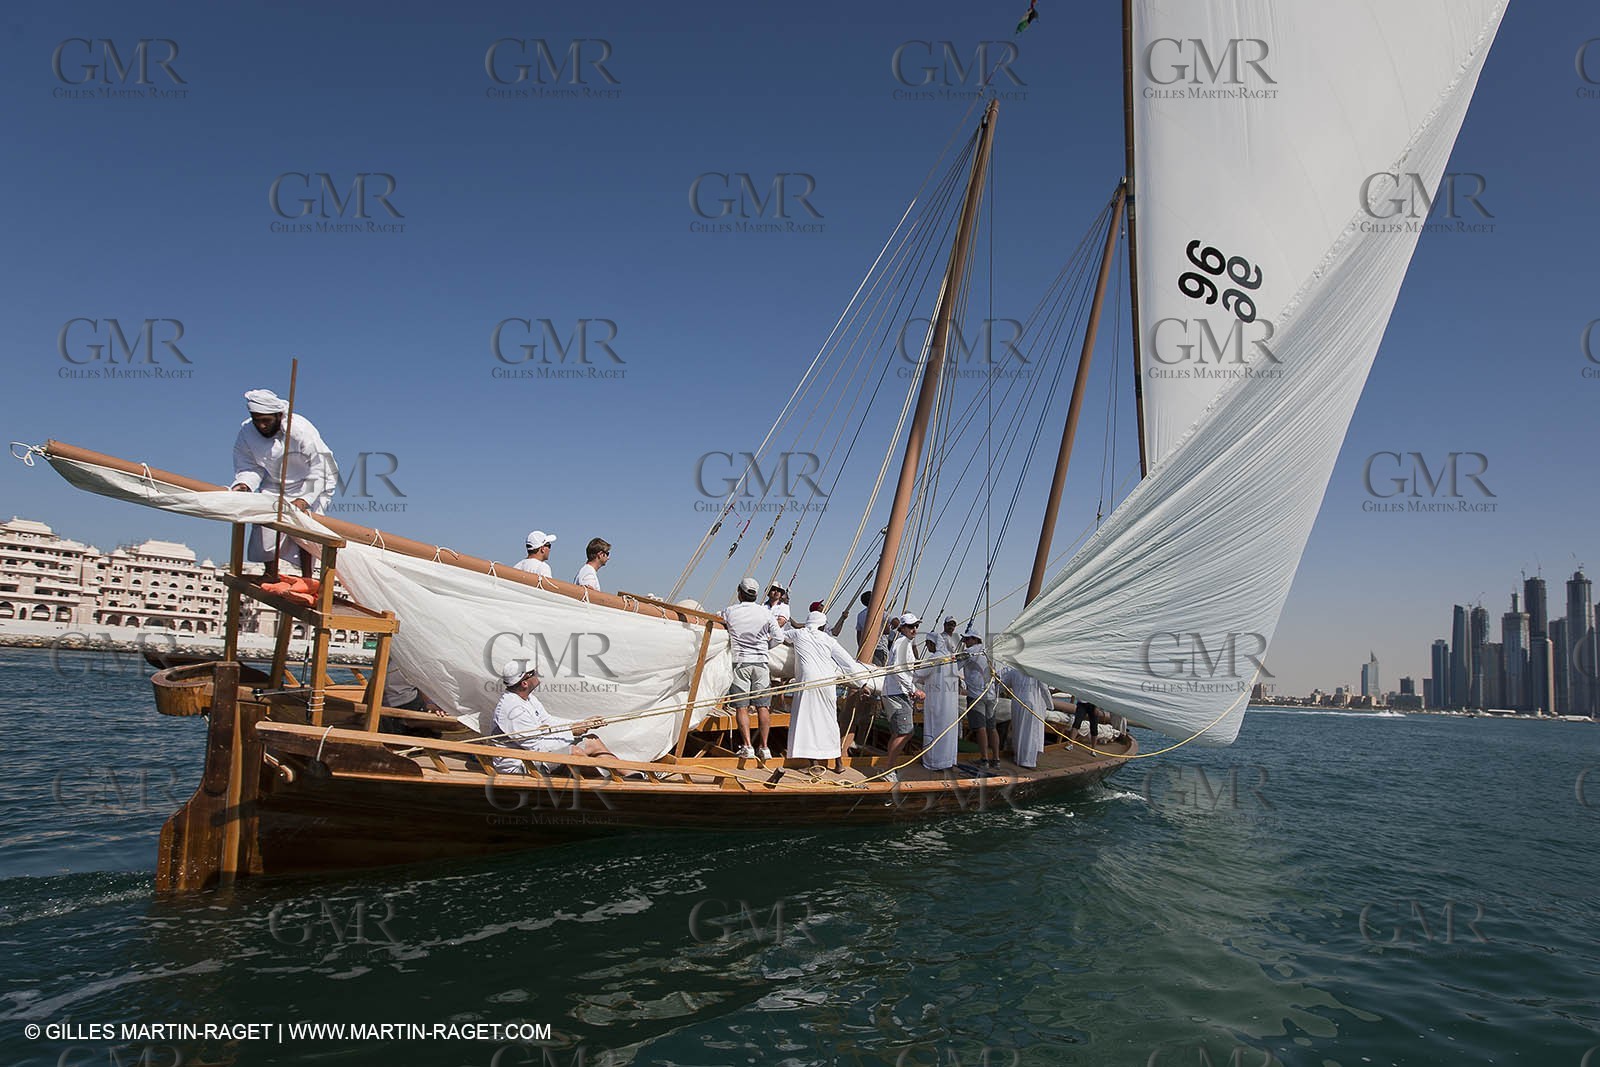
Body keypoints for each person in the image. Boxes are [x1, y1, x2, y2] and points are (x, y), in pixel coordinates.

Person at [230, 388, 338, 580]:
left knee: (306, 527)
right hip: (274, 482)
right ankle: (271, 573)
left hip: (313, 480)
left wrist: (304, 500)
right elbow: (250, 466)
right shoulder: (246, 433)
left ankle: (307, 578)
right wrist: (244, 484)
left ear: (279, 416)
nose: (261, 426)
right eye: (257, 420)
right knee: (265, 524)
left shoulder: (300, 429)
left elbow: (319, 467)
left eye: (266, 421)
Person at [489, 660, 618, 775]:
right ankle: (606, 783)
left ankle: (634, 775)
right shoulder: (513, 710)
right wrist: (571, 731)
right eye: (533, 672)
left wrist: (583, 723)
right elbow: (537, 748)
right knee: (574, 753)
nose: (538, 674)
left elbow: (548, 721)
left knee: (592, 741)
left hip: (533, 756)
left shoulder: (529, 699)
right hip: (520, 766)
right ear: (524, 683)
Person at [787, 610, 870, 771]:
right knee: (830, 722)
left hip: (808, 683)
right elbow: (848, 662)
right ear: (823, 625)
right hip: (827, 683)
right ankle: (838, 763)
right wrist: (862, 683)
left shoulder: (798, 634)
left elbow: (778, 636)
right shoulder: (828, 639)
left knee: (807, 722)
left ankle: (815, 765)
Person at [721, 576, 788, 760]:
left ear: (739, 592)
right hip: (761, 664)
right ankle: (765, 748)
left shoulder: (729, 612)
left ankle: (747, 747)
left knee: (741, 707)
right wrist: (765, 648)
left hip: (740, 662)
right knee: (763, 707)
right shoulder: (765, 613)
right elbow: (779, 637)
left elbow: (720, 628)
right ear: (756, 595)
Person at [882, 614, 929, 782]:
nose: (914, 629)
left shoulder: (905, 643)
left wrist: (910, 689)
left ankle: (888, 768)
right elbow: (897, 669)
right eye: (910, 626)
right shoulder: (902, 644)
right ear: (902, 628)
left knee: (898, 733)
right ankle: (888, 770)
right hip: (897, 693)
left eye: (916, 625)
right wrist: (914, 690)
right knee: (906, 732)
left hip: (897, 692)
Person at [919, 616, 961, 772]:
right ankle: (948, 761)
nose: (927, 647)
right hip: (950, 705)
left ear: (932, 643)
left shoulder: (935, 658)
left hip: (937, 703)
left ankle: (934, 762)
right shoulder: (951, 659)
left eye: (927, 644)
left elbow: (918, 674)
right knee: (948, 733)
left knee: (935, 731)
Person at [960, 630, 1001, 771]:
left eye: (966, 640)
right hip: (991, 695)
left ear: (974, 639)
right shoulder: (988, 652)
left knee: (980, 728)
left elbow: (953, 666)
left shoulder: (969, 652)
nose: (965, 643)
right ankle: (996, 759)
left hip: (976, 695)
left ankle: (984, 759)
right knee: (992, 728)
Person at [1000, 664, 1048, 769]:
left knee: (1018, 730)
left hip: (1017, 702)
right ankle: (1028, 760)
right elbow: (1044, 688)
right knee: (1030, 732)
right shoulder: (1036, 670)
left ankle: (1018, 757)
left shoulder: (1013, 671)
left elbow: (1002, 684)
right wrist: (1050, 704)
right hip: (1030, 702)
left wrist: (994, 692)